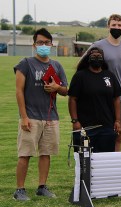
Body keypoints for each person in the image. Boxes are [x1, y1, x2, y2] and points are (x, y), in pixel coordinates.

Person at [13, 28, 68, 201]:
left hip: (51, 117)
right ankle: (19, 190)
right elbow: (19, 91)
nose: (43, 45)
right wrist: (23, 116)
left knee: (46, 153)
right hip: (31, 116)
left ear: (52, 44)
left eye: (46, 42)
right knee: (25, 153)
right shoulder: (26, 63)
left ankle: (42, 186)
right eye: (40, 42)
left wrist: (57, 88)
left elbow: (66, 90)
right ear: (34, 45)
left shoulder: (56, 65)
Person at [86, 14, 121, 151]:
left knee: (118, 135)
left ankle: (115, 167)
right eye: (114, 25)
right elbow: (84, 64)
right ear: (108, 26)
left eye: (119, 25)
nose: (116, 27)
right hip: (102, 97)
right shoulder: (98, 45)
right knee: (100, 135)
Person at [68, 47, 121, 153]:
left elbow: (116, 99)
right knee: (84, 163)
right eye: (93, 56)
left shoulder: (109, 76)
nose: (96, 58)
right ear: (88, 58)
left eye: (99, 56)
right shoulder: (80, 76)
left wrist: (118, 120)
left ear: (103, 59)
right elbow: (72, 99)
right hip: (86, 128)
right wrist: (75, 121)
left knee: (105, 160)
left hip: (107, 126)